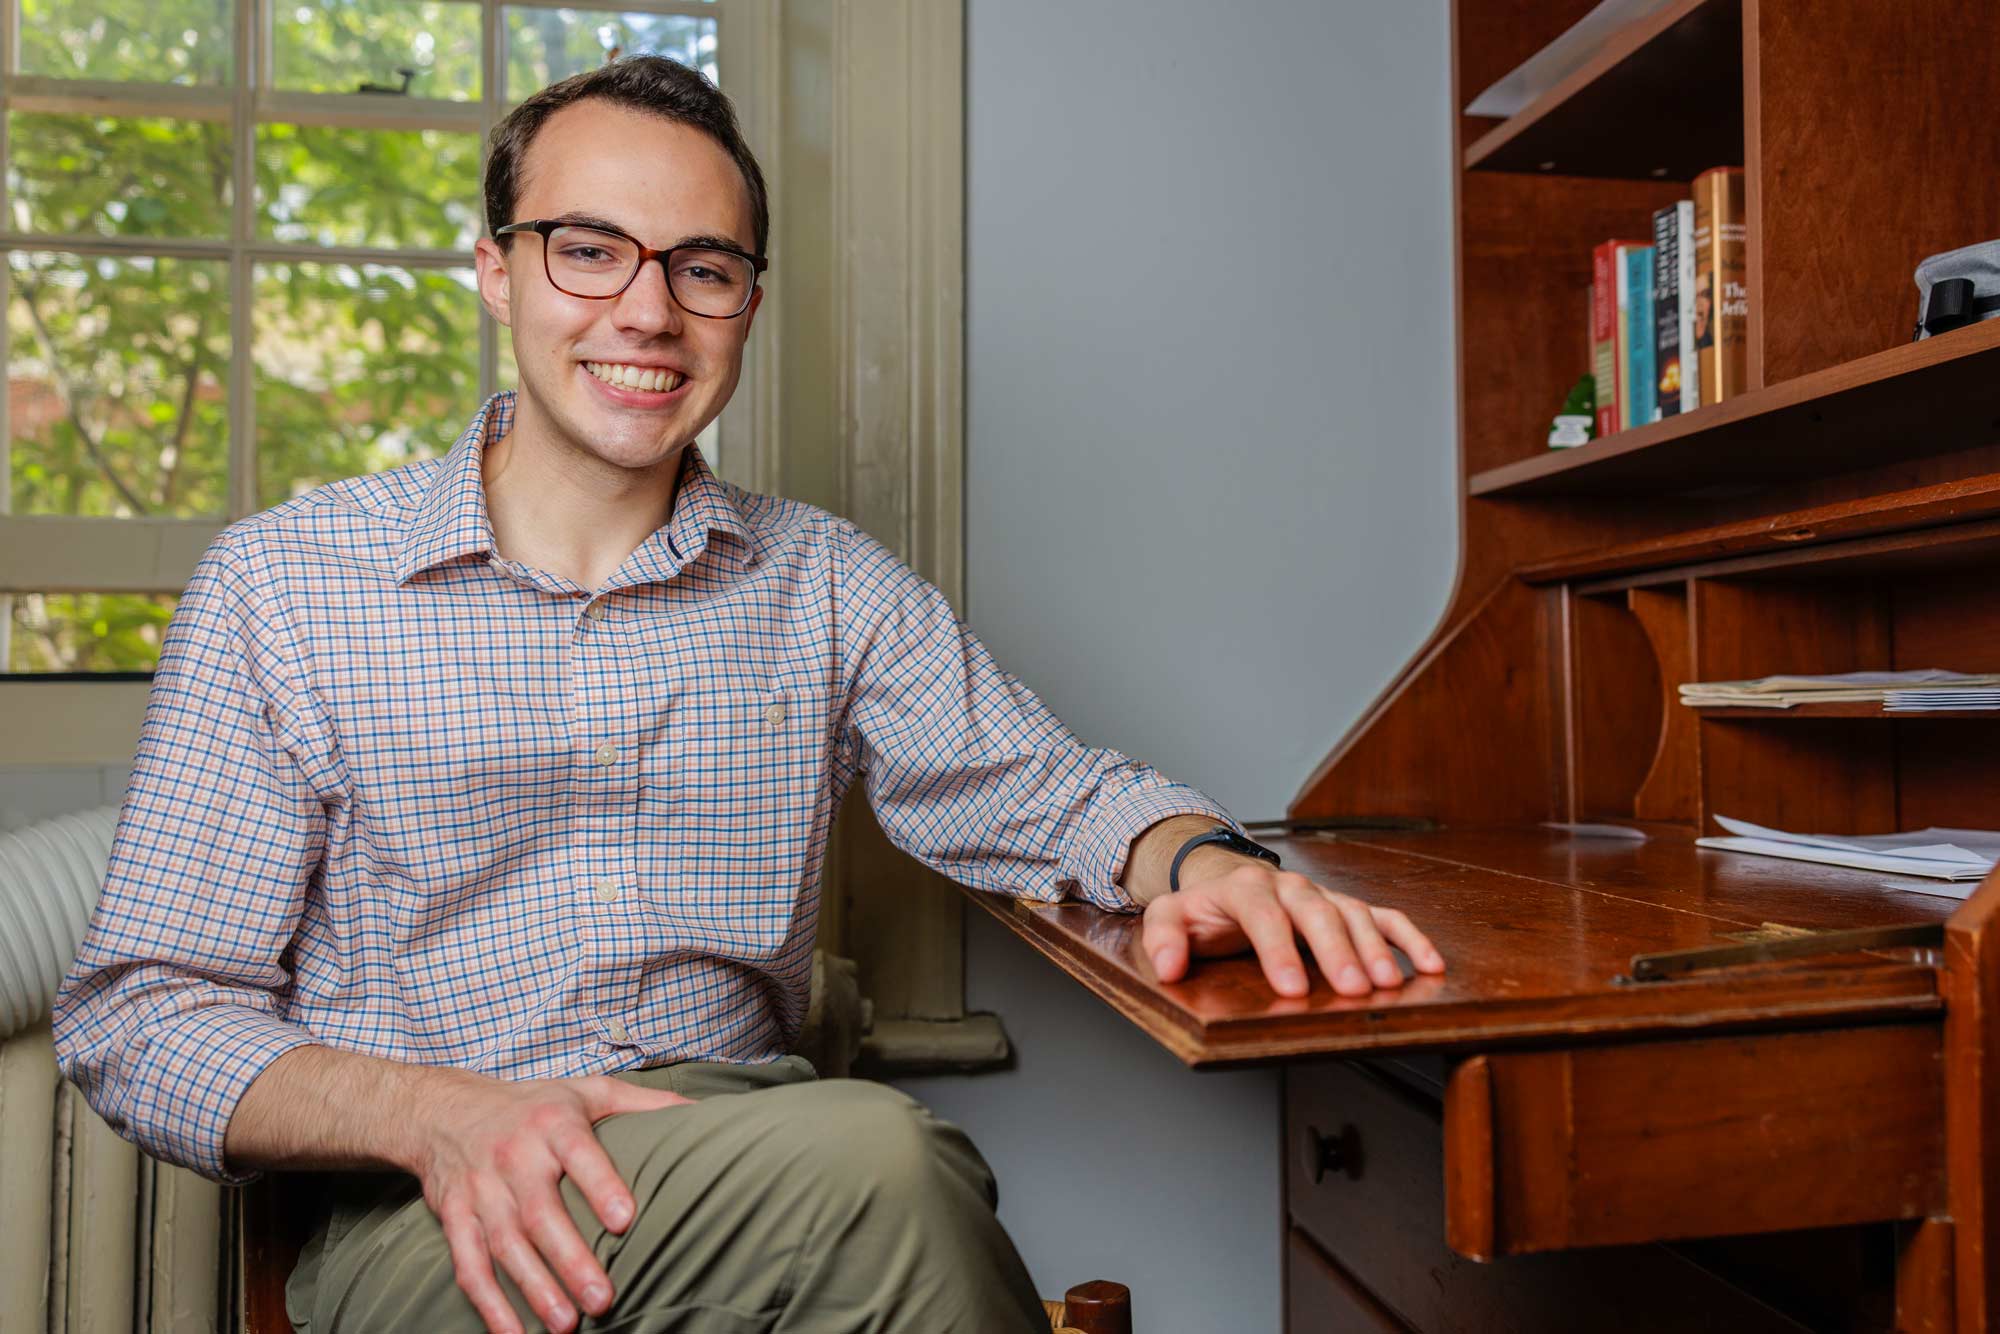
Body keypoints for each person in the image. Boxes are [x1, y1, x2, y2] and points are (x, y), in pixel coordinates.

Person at [51, 55, 1445, 1334]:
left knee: (853, 1170)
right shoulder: (287, 586)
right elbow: (141, 1019)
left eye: (702, 268)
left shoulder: (823, 582)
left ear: (748, 306)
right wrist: (438, 1116)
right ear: (494, 270)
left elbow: (1047, 790)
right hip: (434, 1210)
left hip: (751, 1140)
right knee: (885, 1164)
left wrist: (1201, 859)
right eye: (587, 250)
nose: (647, 312)